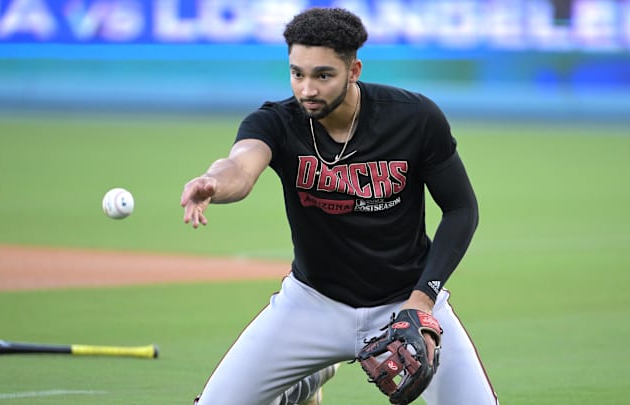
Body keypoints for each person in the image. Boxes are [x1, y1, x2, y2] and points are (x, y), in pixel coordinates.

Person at [181, 7, 498, 405]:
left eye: (322, 75)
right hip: (311, 305)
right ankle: (299, 386)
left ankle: (303, 382)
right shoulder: (276, 123)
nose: (307, 89)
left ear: (354, 71)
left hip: (405, 301)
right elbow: (240, 167)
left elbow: (461, 209)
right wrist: (214, 181)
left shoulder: (414, 118)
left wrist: (424, 300)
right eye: (297, 73)